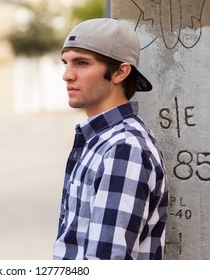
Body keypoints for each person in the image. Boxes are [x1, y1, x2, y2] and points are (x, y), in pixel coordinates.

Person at [53, 18, 169, 260]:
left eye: (82, 63)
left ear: (120, 72)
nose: (67, 75)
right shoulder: (100, 140)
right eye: (66, 63)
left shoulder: (124, 148)